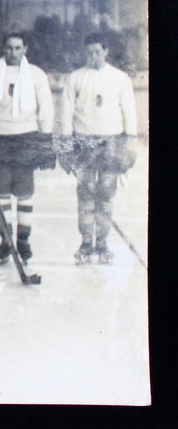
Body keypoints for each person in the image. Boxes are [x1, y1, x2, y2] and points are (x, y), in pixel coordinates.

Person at [0, 33, 55, 263]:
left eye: (18, 48)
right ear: (3, 48)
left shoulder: (36, 75)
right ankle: (6, 239)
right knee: (2, 193)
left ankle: (23, 240)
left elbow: (46, 108)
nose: (13, 53)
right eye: (9, 48)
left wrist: (46, 140)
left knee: (25, 191)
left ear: (25, 49)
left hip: (26, 136)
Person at [57, 33, 138, 264]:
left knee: (106, 195)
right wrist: (65, 145)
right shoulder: (75, 78)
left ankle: (102, 244)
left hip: (112, 142)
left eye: (97, 52)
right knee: (85, 196)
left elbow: (129, 111)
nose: (93, 56)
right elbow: (66, 114)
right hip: (83, 143)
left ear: (106, 51)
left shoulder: (120, 78)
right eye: (89, 52)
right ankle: (85, 243)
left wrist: (129, 143)